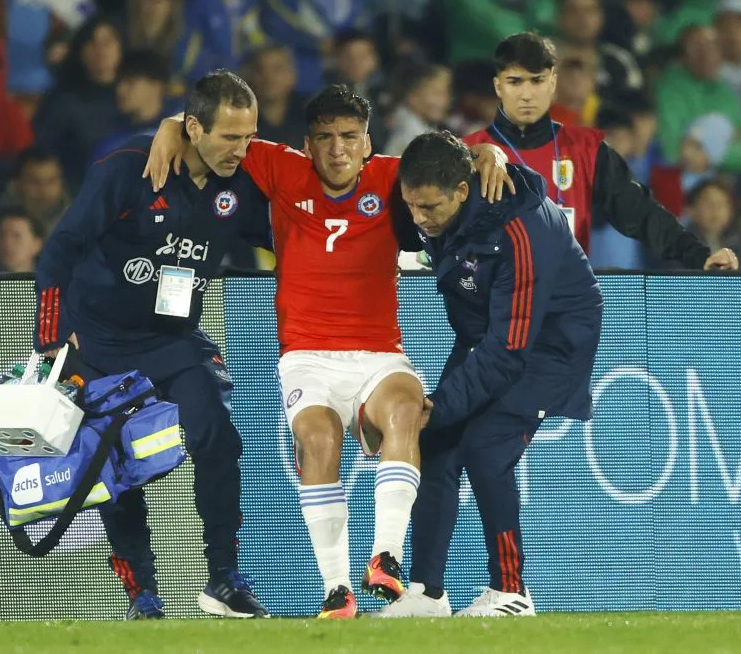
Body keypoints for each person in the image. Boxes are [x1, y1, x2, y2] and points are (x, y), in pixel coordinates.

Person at [143, 84, 513, 618]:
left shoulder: (393, 176)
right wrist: (168, 127)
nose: (338, 150)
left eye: (349, 137)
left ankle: (385, 556)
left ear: (367, 143)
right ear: (307, 144)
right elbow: (205, 126)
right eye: (325, 138)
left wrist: (492, 152)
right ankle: (337, 590)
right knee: (318, 439)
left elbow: (461, 152)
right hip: (308, 355)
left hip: (378, 352)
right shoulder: (278, 168)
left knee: (409, 408)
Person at [34, 70, 272, 620]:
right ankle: (142, 593)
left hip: (173, 339)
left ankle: (224, 580)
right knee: (111, 468)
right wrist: (51, 338)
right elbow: (59, 251)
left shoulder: (241, 185)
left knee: (216, 435)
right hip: (98, 343)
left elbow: (294, 230)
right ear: (193, 127)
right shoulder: (129, 169)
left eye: (249, 137)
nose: (242, 150)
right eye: (230, 138)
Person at [378, 130, 603, 617]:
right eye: (411, 206)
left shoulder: (520, 231)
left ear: (462, 192)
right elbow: (447, 152)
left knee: (485, 450)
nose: (418, 220)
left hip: (550, 346)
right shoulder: (444, 186)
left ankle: (511, 593)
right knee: (436, 448)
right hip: (488, 336)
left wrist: (436, 407)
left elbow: (509, 351)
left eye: (429, 209)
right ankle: (427, 595)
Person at [464, 32, 740, 271]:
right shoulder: (466, 154)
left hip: (564, 306)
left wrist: (700, 255)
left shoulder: (587, 150)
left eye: (537, 81)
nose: (527, 94)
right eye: (515, 81)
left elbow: (641, 212)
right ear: (498, 86)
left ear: (552, 84)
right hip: (490, 309)